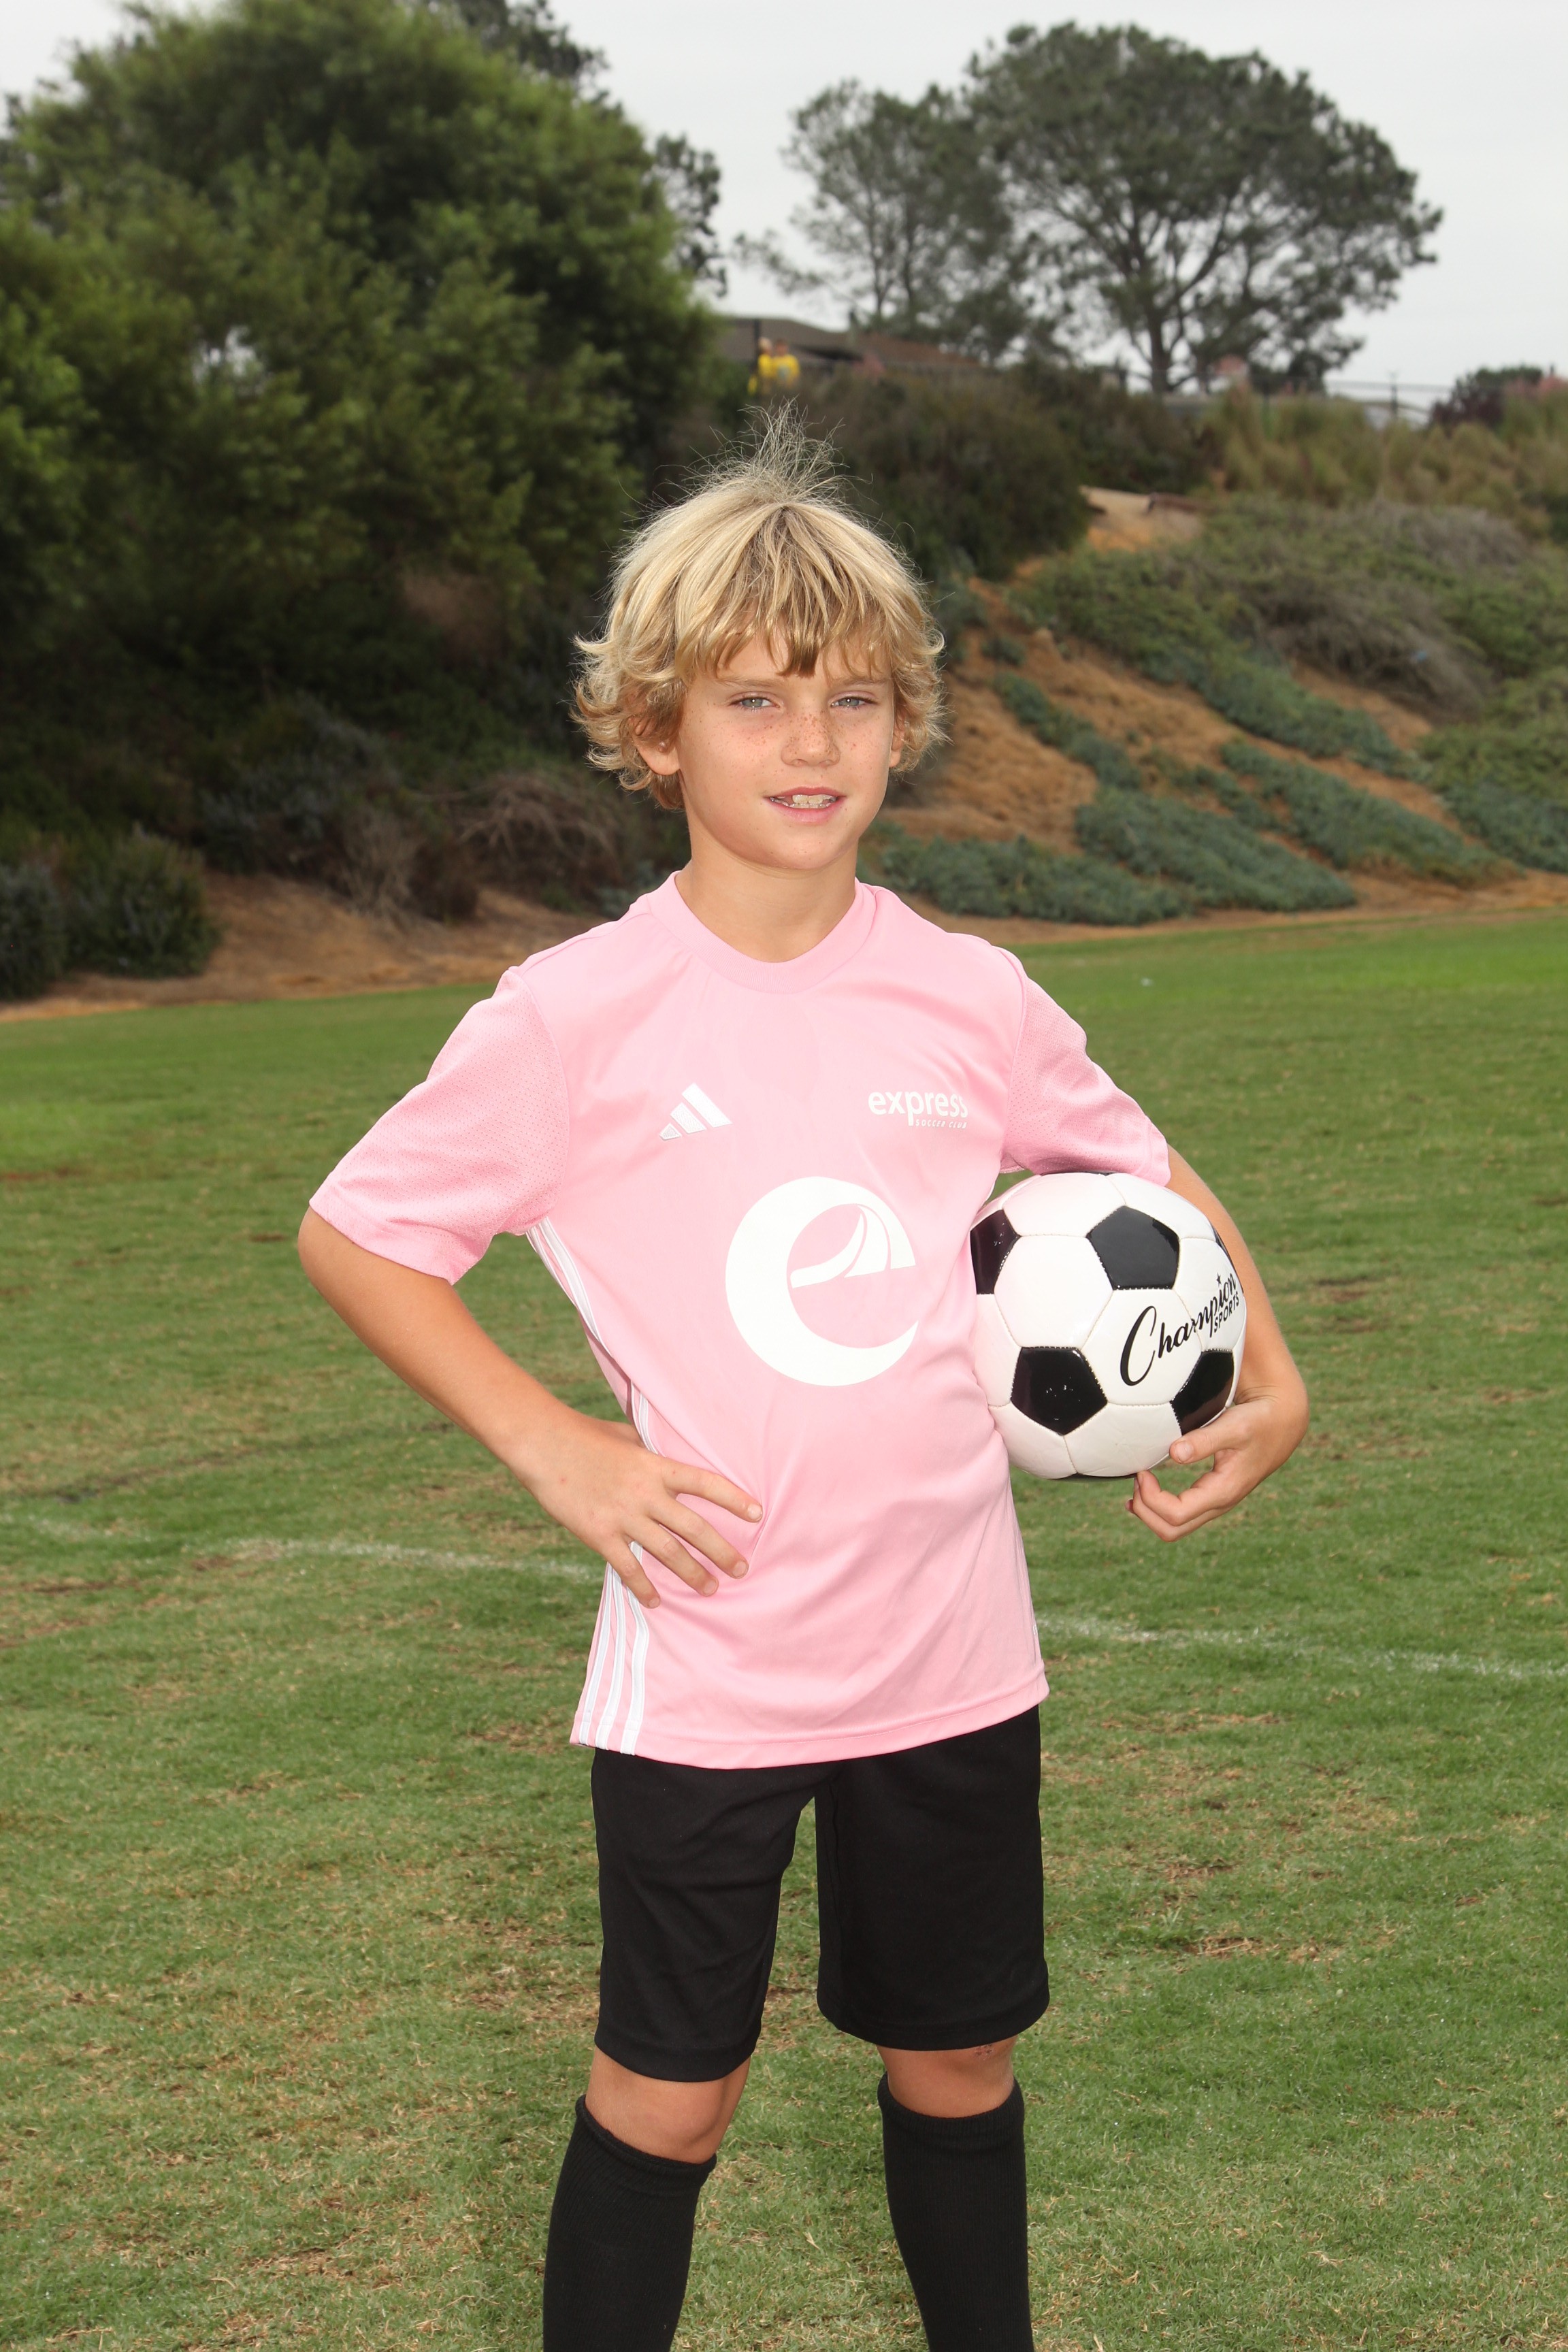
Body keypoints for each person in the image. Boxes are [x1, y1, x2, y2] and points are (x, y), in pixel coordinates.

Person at [297, 420, 1309, 2351]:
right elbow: (360, 1235)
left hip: (951, 1648)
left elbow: (1145, 1176)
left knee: (959, 2066)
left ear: (904, 722)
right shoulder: (574, 1016)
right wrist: (558, 1447)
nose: (810, 741)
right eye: (754, 699)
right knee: (672, 2094)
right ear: (656, 728)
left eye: (853, 697)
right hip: (715, 1659)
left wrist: (1277, 1372)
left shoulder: (969, 994)